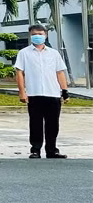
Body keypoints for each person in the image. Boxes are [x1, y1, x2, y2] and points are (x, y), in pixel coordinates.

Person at [15, 25, 69, 159]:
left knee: (53, 124)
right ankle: (35, 150)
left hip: (53, 93)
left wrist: (65, 90)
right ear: (30, 36)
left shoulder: (54, 53)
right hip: (34, 93)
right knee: (35, 123)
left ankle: (52, 150)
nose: (37, 36)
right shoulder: (24, 53)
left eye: (40, 33)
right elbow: (20, 73)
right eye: (34, 34)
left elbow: (60, 72)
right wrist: (22, 92)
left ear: (45, 35)